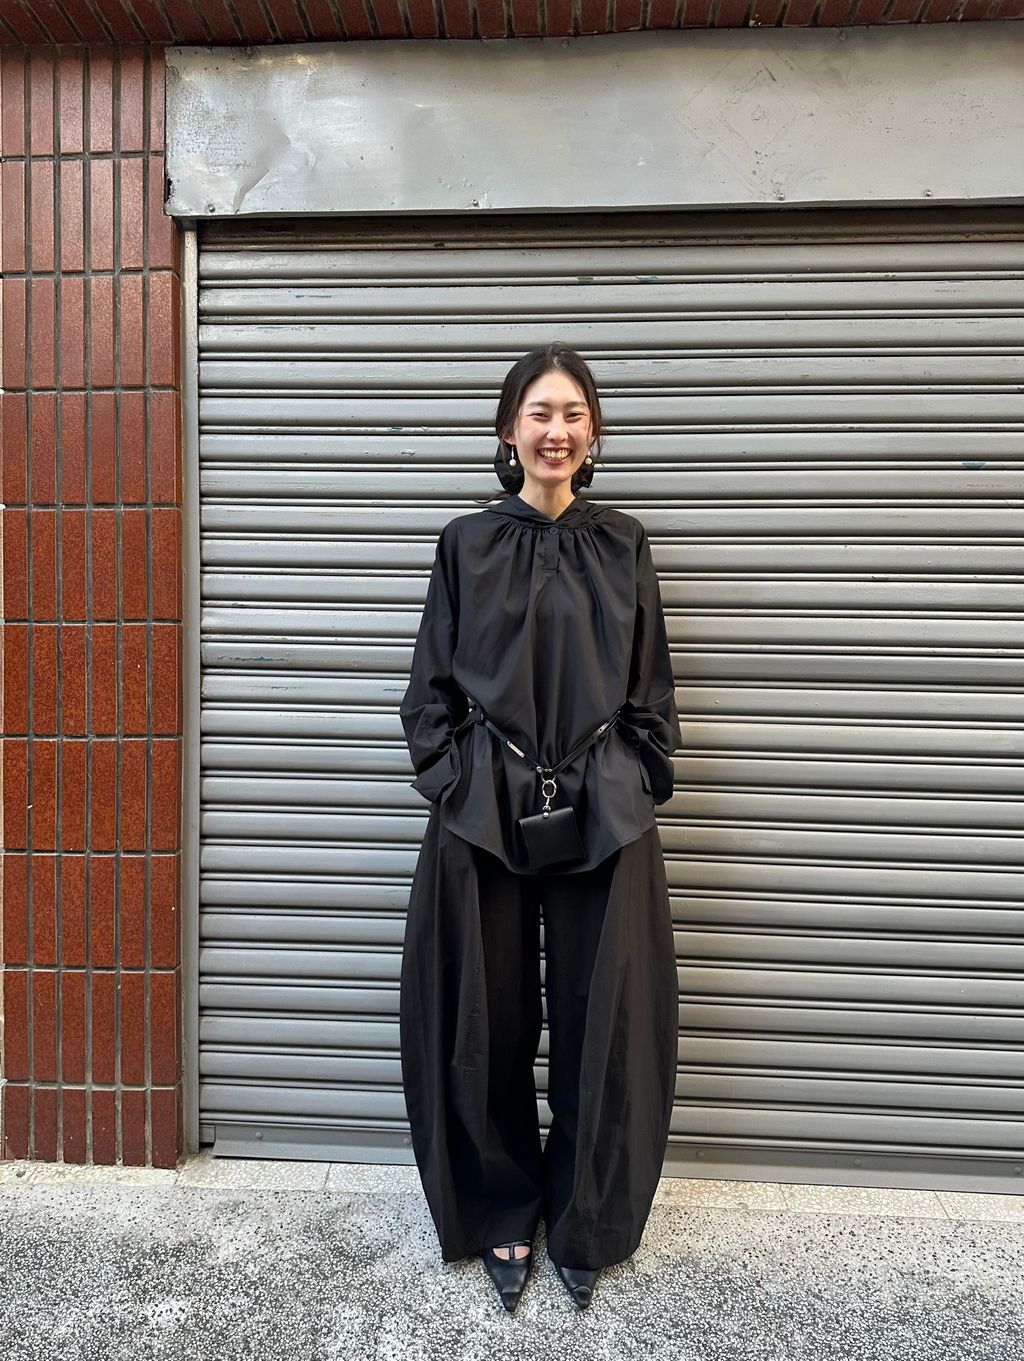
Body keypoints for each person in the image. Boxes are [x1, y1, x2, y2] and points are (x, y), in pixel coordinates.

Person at [398, 343, 681, 1313]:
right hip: (483, 811)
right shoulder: (464, 544)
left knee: (607, 1023)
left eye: (573, 413)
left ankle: (587, 1214)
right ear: (507, 428)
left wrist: (635, 776)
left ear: (592, 433)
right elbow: (428, 692)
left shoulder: (624, 544)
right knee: (483, 1017)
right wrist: (453, 780)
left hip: (604, 811)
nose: (556, 430)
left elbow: (650, 689)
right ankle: (501, 1206)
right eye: (539, 412)